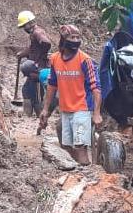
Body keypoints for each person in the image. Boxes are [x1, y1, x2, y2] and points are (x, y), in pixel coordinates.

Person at [38, 25, 102, 165]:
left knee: (80, 147)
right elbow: (52, 85)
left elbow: (96, 88)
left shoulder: (85, 60)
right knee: (65, 146)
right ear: (63, 39)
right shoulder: (55, 59)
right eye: (72, 37)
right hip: (65, 109)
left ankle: (86, 172)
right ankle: (81, 168)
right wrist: (45, 109)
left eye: (78, 37)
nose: (76, 40)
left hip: (82, 109)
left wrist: (96, 113)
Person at [16, 11, 52, 114]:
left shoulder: (37, 32)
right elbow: (32, 48)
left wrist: (40, 56)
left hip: (40, 67)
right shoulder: (33, 33)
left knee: (36, 91)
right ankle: (29, 114)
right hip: (37, 66)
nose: (24, 29)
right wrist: (22, 54)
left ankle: (38, 112)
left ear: (30, 23)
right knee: (26, 90)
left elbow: (46, 43)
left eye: (24, 26)